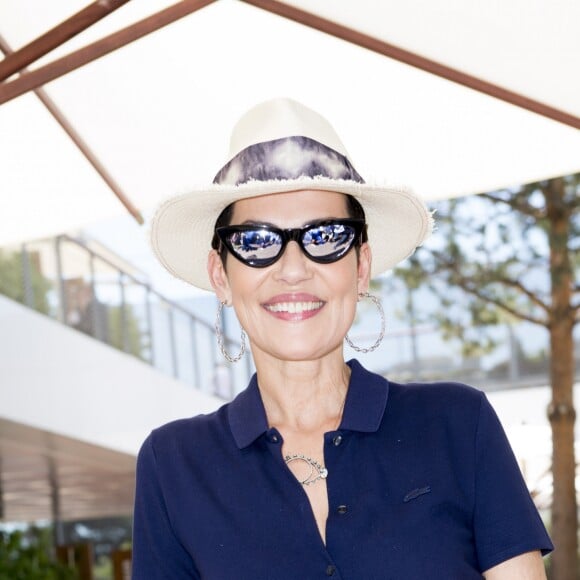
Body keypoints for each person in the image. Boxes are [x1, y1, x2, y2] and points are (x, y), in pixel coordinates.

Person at [133, 98, 553, 579]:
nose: (293, 270)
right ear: (221, 276)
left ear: (362, 266)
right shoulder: (173, 466)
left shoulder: (459, 424)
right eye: (255, 242)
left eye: (326, 236)